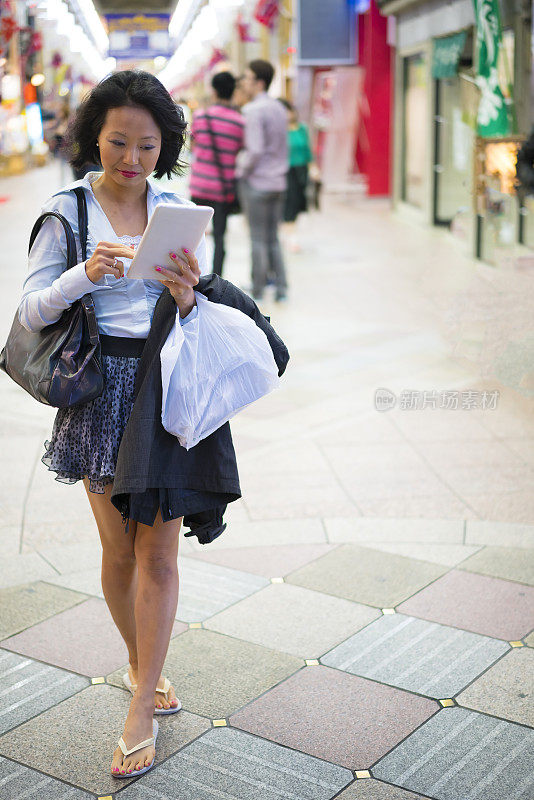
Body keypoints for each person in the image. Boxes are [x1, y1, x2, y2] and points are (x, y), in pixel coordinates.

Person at [16, 70, 288, 780]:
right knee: (117, 550)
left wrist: (190, 294)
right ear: (92, 138)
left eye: (146, 144)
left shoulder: (176, 206)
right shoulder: (65, 212)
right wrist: (84, 275)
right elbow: (28, 314)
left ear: (164, 145)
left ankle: (140, 704)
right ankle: (144, 667)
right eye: (117, 142)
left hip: (168, 386)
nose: (131, 159)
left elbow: (200, 295)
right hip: (100, 390)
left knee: (160, 553)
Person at [236, 59, 289, 302]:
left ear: (258, 82)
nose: (244, 83)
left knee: (257, 237)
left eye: (247, 78)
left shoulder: (253, 110)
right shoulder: (279, 108)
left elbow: (255, 149)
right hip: (278, 181)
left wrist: (241, 169)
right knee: (273, 237)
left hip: (257, 182)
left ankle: (258, 288)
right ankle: (281, 287)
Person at [189, 71, 244, 276]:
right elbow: (239, 151)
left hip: (200, 185)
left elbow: (194, 146)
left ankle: (193, 276)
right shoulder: (239, 122)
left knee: (192, 237)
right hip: (223, 188)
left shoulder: (201, 116)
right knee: (220, 237)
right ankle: (217, 279)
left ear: (213, 90)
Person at [278, 99, 313, 253]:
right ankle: (291, 238)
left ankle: (289, 234)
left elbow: (307, 150)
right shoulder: (280, 131)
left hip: (301, 171)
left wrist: (313, 167)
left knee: (298, 203)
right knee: (289, 204)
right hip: (286, 171)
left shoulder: (302, 128)